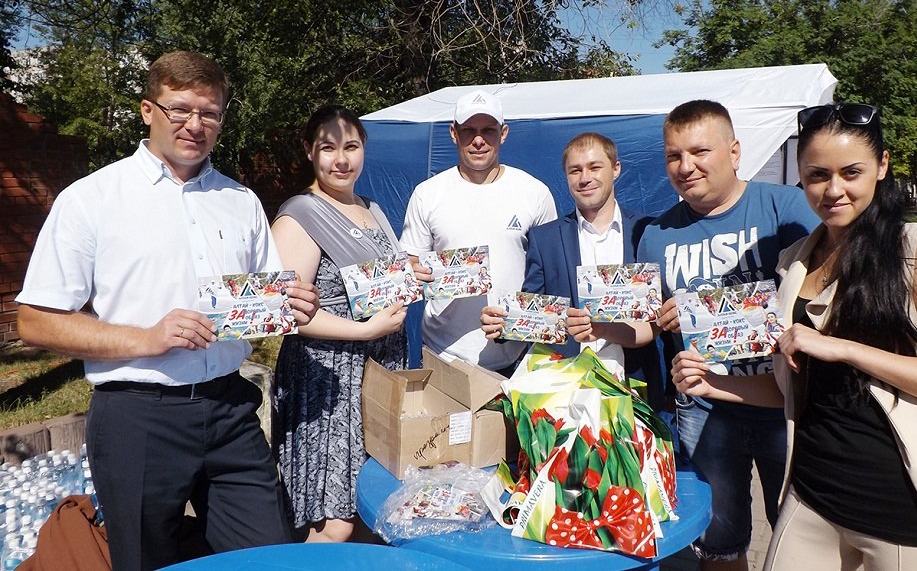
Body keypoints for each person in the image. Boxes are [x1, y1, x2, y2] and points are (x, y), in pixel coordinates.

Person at [15, 51, 319, 570]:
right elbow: (35, 320)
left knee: (273, 556)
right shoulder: (92, 199)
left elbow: (266, 299)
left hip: (230, 409)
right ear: (147, 110)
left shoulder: (240, 200)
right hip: (138, 416)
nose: (195, 125)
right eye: (180, 109)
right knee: (144, 561)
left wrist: (291, 305)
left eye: (210, 113)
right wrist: (147, 338)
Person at [674, 101, 917, 570]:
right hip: (811, 494)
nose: (833, 189)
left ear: (882, 166)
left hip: (902, 509)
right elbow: (794, 388)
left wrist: (843, 348)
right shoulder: (796, 259)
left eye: (851, 172)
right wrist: (712, 384)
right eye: (817, 175)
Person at [628, 100, 819, 571]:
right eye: (673, 156)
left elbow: (827, 295)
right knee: (719, 542)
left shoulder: (786, 208)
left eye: (699, 151)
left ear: (734, 152)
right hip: (706, 410)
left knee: (802, 538)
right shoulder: (656, 233)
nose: (685, 166)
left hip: (784, 404)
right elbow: (644, 322)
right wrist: (623, 322)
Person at [271, 105, 407, 543]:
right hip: (329, 381)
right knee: (334, 520)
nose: (341, 159)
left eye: (350, 146)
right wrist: (366, 331)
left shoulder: (372, 208)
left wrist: (412, 274)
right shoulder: (300, 214)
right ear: (310, 151)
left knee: (375, 502)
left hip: (378, 371)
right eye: (328, 148)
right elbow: (287, 313)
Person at [479, 132, 662, 397]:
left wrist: (670, 389)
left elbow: (661, 320)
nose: (585, 178)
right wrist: (503, 325)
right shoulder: (545, 238)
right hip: (567, 387)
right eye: (575, 170)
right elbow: (532, 305)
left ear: (616, 169)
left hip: (636, 383)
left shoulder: (647, 231)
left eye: (594, 167)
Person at [400, 88, 556, 372]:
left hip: (518, 357)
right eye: (469, 130)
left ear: (504, 133)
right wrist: (413, 270)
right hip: (443, 355)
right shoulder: (427, 194)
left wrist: (522, 320)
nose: (479, 140)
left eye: (488, 130)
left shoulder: (535, 193)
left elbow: (551, 274)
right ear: (453, 133)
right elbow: (409, 261)